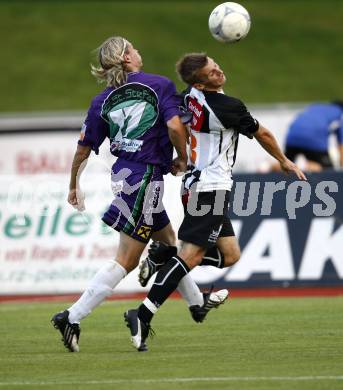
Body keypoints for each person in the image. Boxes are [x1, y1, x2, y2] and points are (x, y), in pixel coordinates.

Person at [51, 38, 228, 353]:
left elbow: (82, 149)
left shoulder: (101, 100)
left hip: (126, 175)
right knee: (128, 260)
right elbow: (175, 127)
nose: (139, 51)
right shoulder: (158, 84)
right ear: (127, 56)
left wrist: (72, 184)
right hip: (145, 177)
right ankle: (71, 316)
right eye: (133, 48)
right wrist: (183, 159)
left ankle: (197, 303)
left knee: (169, 243)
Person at [124, 52, 307, 352]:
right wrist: (284, 161)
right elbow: (262, 132)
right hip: (209, 188)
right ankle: (142, 314)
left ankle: (163, 257)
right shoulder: (227, 107)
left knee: (230, 255)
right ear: (200, 81)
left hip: (197, 185)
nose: (219, 72)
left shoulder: (189, 97)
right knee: (192, 256)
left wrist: (181, 156)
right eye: (212, 72)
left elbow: (176, 124)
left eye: (217, 66)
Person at [284, 101, 343, 171]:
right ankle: (308, 173)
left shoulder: (316, 107)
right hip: (314, 138)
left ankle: (272, 171)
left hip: (293, 135)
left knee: (285, 164)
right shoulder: (339, 114)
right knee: (327, 170)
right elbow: (341, 146)